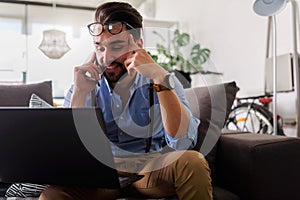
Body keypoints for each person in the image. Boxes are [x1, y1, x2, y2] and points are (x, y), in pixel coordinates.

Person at [40, 2, 212, 200]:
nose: (106, 58)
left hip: (149, 169)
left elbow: (182, 141)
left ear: (138, 45)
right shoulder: (83, 84)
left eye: (117, 47)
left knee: (193, 161)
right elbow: (69, 149)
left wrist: (159, 79)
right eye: (100, 48)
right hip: (100, 172)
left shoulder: (165, 80)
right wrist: (80, 93)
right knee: (51, 195)